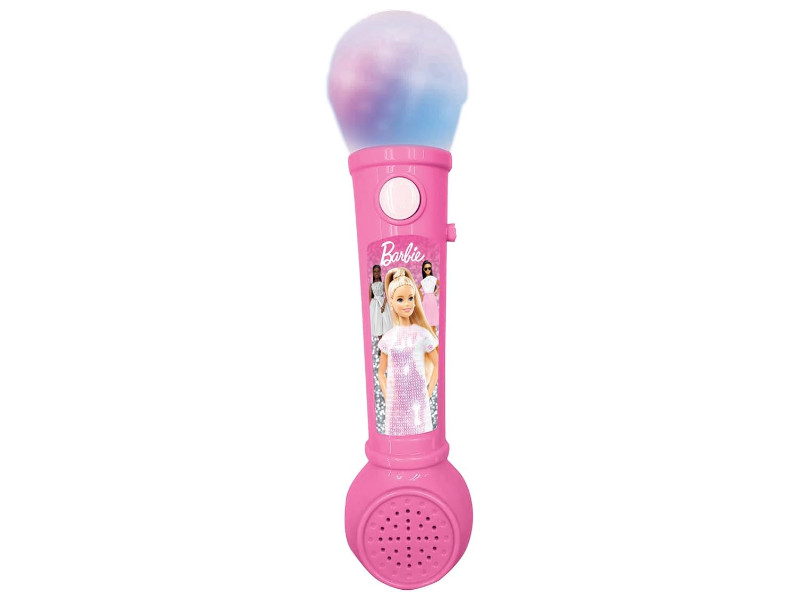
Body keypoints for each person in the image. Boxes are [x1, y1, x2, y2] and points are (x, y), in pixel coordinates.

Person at [377, 267, 439, 436]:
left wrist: (427, 393)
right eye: (400, 299)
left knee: (420, 436)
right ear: (391, 302)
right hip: (396, 407)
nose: (407, 304)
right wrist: (388, 396)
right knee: (396, 439)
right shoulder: (388, 338)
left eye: (411, 298)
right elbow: (381, 373)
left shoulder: (422, 334)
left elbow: (438, 364)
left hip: (418, 405)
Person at [368, 265, 393, 339]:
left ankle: (385, 341)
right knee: (377, 323)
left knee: (385, 322)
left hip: (382, 304)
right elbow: (369, 298)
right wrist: (369, 309)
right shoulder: (371, 285)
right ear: (372, 273)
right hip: (375, 306)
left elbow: (387, 295)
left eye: (378, 271)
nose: (376, 273)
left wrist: (384, 305)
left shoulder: (383, 283)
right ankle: (380, 342)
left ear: (380, 273)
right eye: (375, 271)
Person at [418, 260, 439, 336]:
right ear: (423, 270)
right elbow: (418, 288)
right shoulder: (423, 281)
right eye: (426, 269)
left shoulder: (434, 279)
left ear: (431, 268)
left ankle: (434, 337)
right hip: (426, 300)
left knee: (433, 321)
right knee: (427, 320)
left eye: (429, 268)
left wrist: (438, 291)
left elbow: (442, 284)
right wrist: (421, 296)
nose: (428, 270)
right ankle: (429, 338)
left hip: (432, 299)